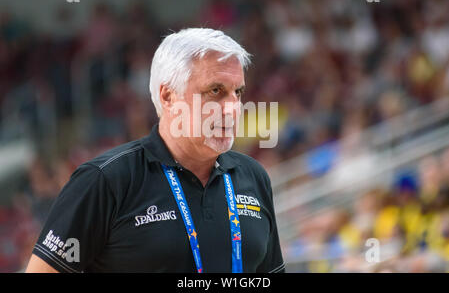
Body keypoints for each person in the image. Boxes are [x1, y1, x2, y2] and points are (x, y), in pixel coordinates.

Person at [25, 28, 285, 273]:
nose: (232, 108)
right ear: (168, 97)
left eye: (237, 92)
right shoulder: (105, 180)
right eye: (215, 91)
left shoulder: (253, 176)